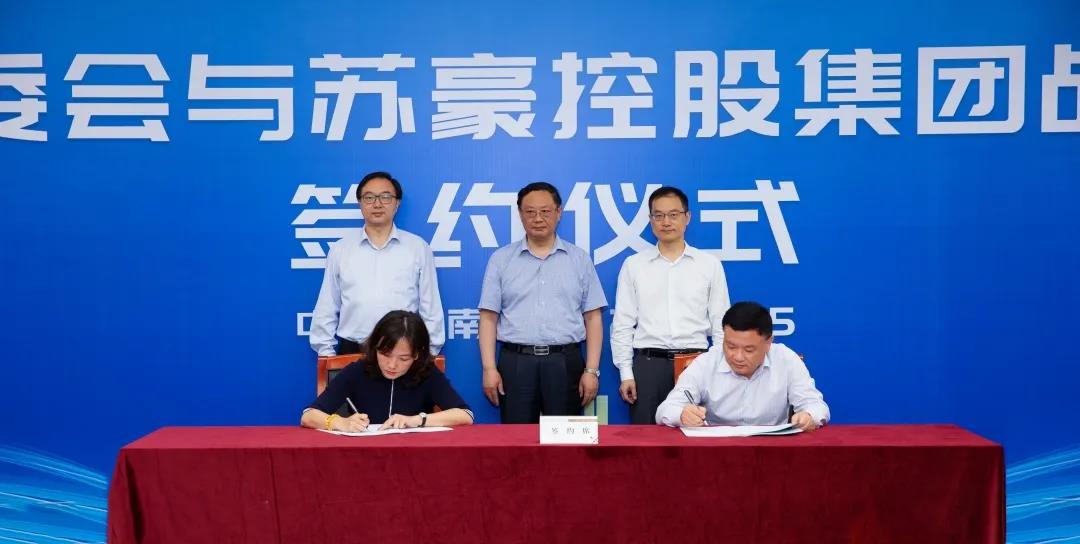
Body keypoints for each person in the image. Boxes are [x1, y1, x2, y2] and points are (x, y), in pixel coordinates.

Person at [478, 182, 607, 423]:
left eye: (545, 211)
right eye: (530, 212)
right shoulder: (501, 259)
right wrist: (489, 368)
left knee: (564, 440)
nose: (538, 218)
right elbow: (488, 318)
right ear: (520, 215)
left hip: (564, 362)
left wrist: (591, 370)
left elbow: (593, 317)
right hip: (516, 363)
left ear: (559, 212)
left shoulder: (579, 259)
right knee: (517, 439)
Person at [610, 186, 730, 424]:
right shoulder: (634, 265)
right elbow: (623, 323)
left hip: (695, 363)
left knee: (695, 435)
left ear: (687, 217)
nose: (666, 222)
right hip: (648, 366)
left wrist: (718, 370)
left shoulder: (709, 265)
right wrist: (626, 373)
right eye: (659, 215)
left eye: (674, 215)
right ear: (650, 220)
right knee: (645, 439)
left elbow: (720, 322)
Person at [309, 171, 445, 357]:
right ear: (360, 203)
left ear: (397, 203)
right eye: (369, 197)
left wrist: (429, 353)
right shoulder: (341, 249)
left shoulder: (418, 248)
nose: (377, 204)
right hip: (353, 350)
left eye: (385, 197)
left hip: (403, 351)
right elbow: (327, 305)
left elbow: (431, 307)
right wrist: (326, 353)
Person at [656, 302, 829, 431]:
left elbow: (816, 406)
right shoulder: (706, 362)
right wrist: (682, 414)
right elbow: (665, 410)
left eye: (748, 350)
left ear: (769, 342)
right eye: (730, 346)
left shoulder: (786, 360)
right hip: (715, 451)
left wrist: (808, 416)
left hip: (772, 451)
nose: (737, 357)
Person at [301, 311, 473, 431]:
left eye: (403, 359)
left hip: (414, 457)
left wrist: (417, 420)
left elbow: (465, 415)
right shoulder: (358, 371)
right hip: (363, 456)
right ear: (375, 347)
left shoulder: (426, 372)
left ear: (417, 355)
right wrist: (339, 422)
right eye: (385, 354)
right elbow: (309, 416)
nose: (392, 365)